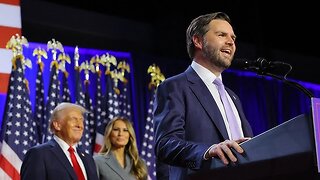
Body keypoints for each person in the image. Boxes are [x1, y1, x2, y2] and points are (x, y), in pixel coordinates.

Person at [153, 12, 254, 180]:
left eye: (233, 38)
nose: (231, 42)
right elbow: (165, 144)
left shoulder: (233, 97)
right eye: (221, 35)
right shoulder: (175, 86)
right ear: (198, 41)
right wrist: (208, 151)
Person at [20, 102, 99, 180]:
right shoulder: (39, 154)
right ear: (57, 125)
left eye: (81, 120)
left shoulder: (88, 159)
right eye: (74, 119)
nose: (80, 125)